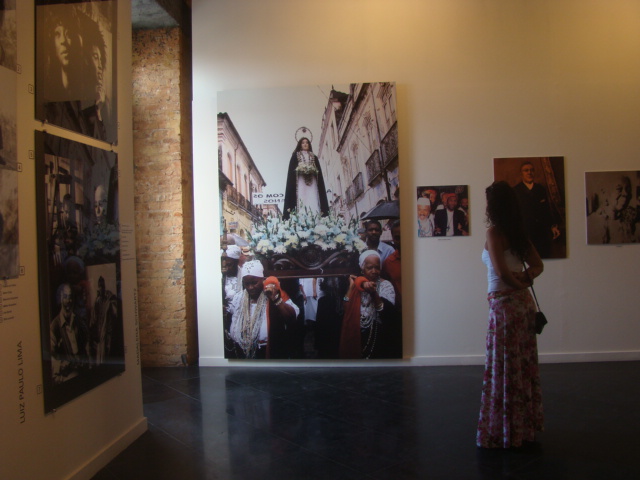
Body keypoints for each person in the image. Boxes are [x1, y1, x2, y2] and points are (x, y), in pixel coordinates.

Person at [476, 181, 544, 449]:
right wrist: (525, 281)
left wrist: (516, 284)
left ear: (493, 206)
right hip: (522, 305)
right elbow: (538, 266)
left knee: (503, 366)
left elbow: (502, 273)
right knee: (521, 364)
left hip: (504, 306)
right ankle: (523, 427)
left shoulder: (494, 233)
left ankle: (504, 430)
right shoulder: (518, 233)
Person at [227, 260, 300, 359]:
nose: (250, 287)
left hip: (267, 351)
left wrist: (276, 299)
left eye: (254, 283)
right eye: (246, 284)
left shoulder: (275, 294)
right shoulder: (239, 298)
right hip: (242, 351)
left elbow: (292, 317)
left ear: (263, 280)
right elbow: (230, 313)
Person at [339, 250, 400, 359]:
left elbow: (388, 313)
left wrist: (374, 293)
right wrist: (351, 288)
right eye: (370, 267)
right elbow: (345, 307)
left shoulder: (386, 285)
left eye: (377, 267)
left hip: (379, 336)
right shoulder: (356, 284)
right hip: (357, 335)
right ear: (362, 268)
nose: (374, 271)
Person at [513, 161, 561, 258]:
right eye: (526, 170)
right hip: (525, 233)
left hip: (542, 233)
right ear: (521, 173)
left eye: (531, 170)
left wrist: (553, 226)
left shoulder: (540, 189)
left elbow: (547, 210)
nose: (529, 173)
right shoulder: (515, 191)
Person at [50, 282, 90, 383]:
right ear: (60, 298)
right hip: (68, 377)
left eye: (71, 297)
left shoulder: (78, 321)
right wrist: (62, 365)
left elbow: (86, 345)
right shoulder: (54, 327)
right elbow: (50, 359)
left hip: (83, 374)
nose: (68, 301)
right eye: (65, 297)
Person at [283, 136, 329, 219]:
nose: (305, 144)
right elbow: (292, 171)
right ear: (300, 144)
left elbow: (318, 170)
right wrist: (300, 170)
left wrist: (313, 170)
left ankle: (315, 216)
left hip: (312, 182)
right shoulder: (296, 156)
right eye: (303, 142)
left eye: (307, 142)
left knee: (313, 197)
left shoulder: (313, 157)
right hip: (300, 181)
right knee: (302, 197)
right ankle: (302, 217)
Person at [90, 276, 117, 365]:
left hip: (107, 332)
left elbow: (114, 313)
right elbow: (93, 319)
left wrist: (111, 299)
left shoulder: (109, 299)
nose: (101, 288)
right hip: (99, 331)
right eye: (99, 286)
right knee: (99, 353)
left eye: (103, 286)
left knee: (107, 351)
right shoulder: (97, 301)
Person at [382, 220, 402, 311]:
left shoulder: (421, 257)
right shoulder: (388, 262)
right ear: (393, 239)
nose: (402, 241)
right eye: (397, 238)